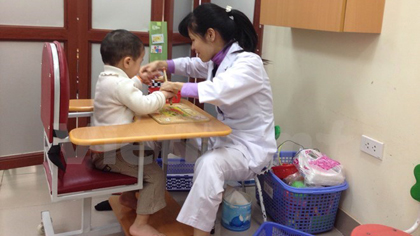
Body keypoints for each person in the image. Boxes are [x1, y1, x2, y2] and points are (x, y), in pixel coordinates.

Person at [141, 4, 277, 236]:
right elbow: (195, 65)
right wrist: (163, 64)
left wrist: (177, 87)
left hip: (249, 149)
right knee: (163, 138)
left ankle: (201, 231)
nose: (193, 47)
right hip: (225, 139)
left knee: (209, 165)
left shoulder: (248, 64)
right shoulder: (219, 59)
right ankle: (138, 200)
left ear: (211, 35)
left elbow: (219, 90)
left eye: (194, 40)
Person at [90, 29, 174, 236]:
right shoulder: (119, 85)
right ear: (127, 62)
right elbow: (143, 105)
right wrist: (163, 94)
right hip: (111, 154)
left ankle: (128, 198)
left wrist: (138, 78)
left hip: (106, 150)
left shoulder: (106, 78)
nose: (140, 66)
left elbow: (124, 89)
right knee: (155, 175)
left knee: (146, 154)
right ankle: (140, 225)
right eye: (139, 61)